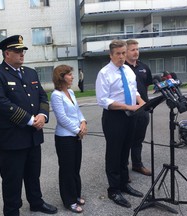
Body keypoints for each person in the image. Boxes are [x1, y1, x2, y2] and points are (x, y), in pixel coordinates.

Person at [0, 35, 57, 216]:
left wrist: (42, 115)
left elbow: (42, 96)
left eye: (23, 50)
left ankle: (36, 202)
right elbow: (1, 103)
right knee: (12, 179)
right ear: (7, 53)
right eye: (17, 51)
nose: (22, 54)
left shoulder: (30, 73)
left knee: (33, 174)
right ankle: (11, 210)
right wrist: (31, 120)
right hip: (12, 138)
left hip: (33, 136)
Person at [96, 40, 145, 208]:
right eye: (118, 53)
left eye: (124, 53)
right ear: (111, 55)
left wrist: (140, 101)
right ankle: (114, 189)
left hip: (131, 116)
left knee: (125, 151)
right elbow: (103, 100)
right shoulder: (104, 73)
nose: (122, 57)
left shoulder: (128, 71)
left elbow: (133, 90)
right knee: (114, 153)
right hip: (114, 117)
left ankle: (124, 183)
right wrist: (127, 106)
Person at [51, 65, 87, 214]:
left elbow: (77, 111)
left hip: (75, 136)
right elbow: (62, 118)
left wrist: (83, 122)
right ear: (61, 77)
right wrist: (78, 130)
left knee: (75, 168)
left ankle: (76, 195)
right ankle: (69, 201)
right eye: (69, 74)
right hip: (64, 138)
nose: (72, 77)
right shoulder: (56, 95)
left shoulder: (71, 92)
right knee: (66, 169)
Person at [125, 39, 152, 177]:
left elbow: (146, 85)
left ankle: (137, 164)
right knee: (126, 140)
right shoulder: (122, 68)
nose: (136, 52)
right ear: (126, 52)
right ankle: (123, 170)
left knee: (138, 139)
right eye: (132, 50)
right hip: (128, 110)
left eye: (137, 49)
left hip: (143, 109)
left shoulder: (144, 67)